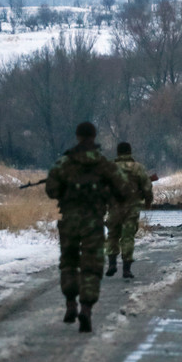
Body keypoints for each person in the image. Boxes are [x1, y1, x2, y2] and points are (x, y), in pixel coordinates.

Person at [45, 122, 131, 333]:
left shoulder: (64, 162)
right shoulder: (103, 164)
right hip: (93, 221)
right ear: (94, 136)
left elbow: (51, 189)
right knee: (91, 264)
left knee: (68, 262)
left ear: (77, 136)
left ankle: (70, 303)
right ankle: (86, 309)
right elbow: (124, 189)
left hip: (70, 220)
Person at [106, 142, 153, 279]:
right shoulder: (138, 168)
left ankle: (112, 264)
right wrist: (148, 202)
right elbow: (147, 187)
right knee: (128, 237)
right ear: (130, 152)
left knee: (112, 235)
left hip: (114, 207)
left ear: (118, 153)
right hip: (132, 207)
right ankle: (126, 269)